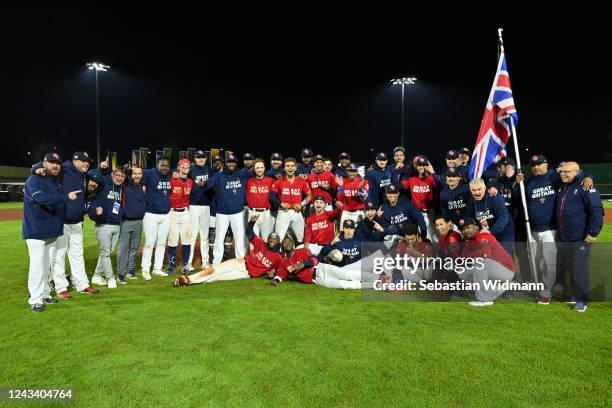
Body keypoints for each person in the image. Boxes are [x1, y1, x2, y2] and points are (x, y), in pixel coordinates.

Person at [520, 155, 593, 304]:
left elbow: (574, 174)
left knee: (549, 262)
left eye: (539, 164)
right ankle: (545, 287)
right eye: (533, 165)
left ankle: (546, 293)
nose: (536, 167)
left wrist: (588, 177)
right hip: (533, 230)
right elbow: (518, 199)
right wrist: (517, 183)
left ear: (546, 164)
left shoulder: (555, 177)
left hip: (550, 229)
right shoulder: (528, 181)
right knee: (536, 262)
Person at [31, 151, 99, 298]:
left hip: (77, 222)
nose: (87, 163)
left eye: (88, 161)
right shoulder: (66, 168)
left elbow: (100, 180)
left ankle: (82, 284)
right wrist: (35, 168)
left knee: (77, 255)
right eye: (83, 161)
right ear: (75, 161)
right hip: (61, 221)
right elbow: (47, 165)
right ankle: (61, 287)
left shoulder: (84, 174)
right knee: (58, 255)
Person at [23, 153, 82, 312]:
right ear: (44, 164)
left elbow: (73, 167)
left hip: (51, 229)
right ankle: (35, 299)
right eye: (51, 163)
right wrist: (66, 197)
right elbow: (41, 198)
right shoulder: (34, 180)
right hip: (36, 230)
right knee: (36, 265)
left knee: (46, 264)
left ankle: (45, 293)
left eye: (58, 163)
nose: (55, 166)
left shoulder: (55, 181)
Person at [173, 215, 282, 286]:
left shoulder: (278, 258)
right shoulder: (261, 243)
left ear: (278, 242)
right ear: (268, 239)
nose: (272, 241)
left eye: (275, 239)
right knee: (215, 270)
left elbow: (281, 270)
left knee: (218, 278)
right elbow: (249, 233)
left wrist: (274, 275)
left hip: (246, 274)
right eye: (271, 238)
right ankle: (187, 279)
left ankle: (188, 283)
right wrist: (251, 223)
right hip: (241, 263)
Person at [555, 161, 603, 312]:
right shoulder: (564, 186)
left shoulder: (585, 185)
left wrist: (593, 232)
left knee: (580, 269)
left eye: (566, 172)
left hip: (580, 237)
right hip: (564, 237)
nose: (563, 174)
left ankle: (582, 301)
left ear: (577, 172)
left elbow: (596, 210)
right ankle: (574, 295)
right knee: (571, 268)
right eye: (562, 171)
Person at [271, 235, 381, 289]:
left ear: (293, 244)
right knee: (344, 285)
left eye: (289, 242)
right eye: (285, 243)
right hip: (317, 280)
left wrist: (302, 264)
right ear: (282, 246)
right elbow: (280, 275)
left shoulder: (302, 251)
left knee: (346, 274)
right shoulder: (284, 262)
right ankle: (376, 285)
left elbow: (314, 260)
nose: (288, 244)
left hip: (321, 269)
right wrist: (275, 281)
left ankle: (379, 277)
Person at [458, 217, 516, 307]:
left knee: (478, 262)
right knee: (462, 273)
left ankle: (483, 299)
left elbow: (484, 254)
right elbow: (462, 258)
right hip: (493, 269)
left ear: (476, 227)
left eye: (468, 227)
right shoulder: (469, 241)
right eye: (463, 229)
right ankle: (500, 287)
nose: (465, 231)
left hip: (505, 269)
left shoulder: (483, 236)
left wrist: (469, 255)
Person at [203, 154, 249, 265]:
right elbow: (207, 185)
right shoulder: (219, 175)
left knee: (239, 238)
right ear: (226, 163)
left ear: (236, 163)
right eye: (229, 162)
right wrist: (204, 183)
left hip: (238, 212)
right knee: (219, 238)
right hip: (222, 213)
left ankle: (240, 262)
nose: (231, 164)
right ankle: (216, 262)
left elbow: (258, 173)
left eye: (233, 162)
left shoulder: (242, 174)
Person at [88, 167, 126, 288]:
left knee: (107, 252)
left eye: (122, 176)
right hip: (104, 224)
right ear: (112, 175)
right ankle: (110, 278)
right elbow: (94, 175)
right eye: (117, 175)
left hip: (116, 224)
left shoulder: (120, 188)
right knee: (105, 253)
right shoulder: (104, 183)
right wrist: (102, 169)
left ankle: (97, 275)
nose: (119, 178)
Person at [466, 178, 515, 255]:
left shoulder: (494, 197)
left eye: (479, 189)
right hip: (486, 233)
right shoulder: (471, 202)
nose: (477, 192)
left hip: (504, 233)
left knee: (505, 258)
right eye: (474, 190)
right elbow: (470, 218)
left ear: (485, 188)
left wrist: (490, 232)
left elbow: (503, 217)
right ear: (470, 190)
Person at [270, 157, 312, 243]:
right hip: (283, 212)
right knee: (279, 239)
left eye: (292, 166)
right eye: (288, 166)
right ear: (284, 168)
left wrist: (302, 204)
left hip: (297, 212)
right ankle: (280, 256)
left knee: (301, 238)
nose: (290, 168)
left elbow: (309, 195)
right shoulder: (279, 181)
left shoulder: (301, 181)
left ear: (296, 168)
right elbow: (271, 197)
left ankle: (299, 256)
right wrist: (280, 203)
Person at [400, 155, 440, 241]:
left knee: (435, 238)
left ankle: (436, 254)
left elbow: (440, 186)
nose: (421, 167)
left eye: (423, 165)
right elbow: (398, 187)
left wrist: (433, 171)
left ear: (427, 166)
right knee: (420, 239)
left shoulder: (432, 178)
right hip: (417, 214)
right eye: (419, 165)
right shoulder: (411, 179)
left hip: (431, 213)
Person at [117, 165, 146, 282]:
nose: (137, 176)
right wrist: (128, 169)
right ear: (131, 174)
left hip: (139, 221)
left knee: (134, 248)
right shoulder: (126, 183)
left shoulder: (144, 185)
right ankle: (121, 273)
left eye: (139, 173)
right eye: (135, 173)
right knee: (123, 248)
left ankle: (131, 270)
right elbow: (121, 174)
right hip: (125, 221)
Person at [187, 150, 213, 270]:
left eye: (203, 157)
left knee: (204, 235)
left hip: (206, 206)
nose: (201, 159)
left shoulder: (209, 170)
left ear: (206, 159)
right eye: (199, 157)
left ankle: (205, 262)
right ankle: (188, 263)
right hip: (193, 206)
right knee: (192, 235)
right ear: (195, 159)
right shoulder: (191, 170)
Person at [167, 159, 194, 275]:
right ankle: (171, 265)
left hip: (185, 212)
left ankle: (186, 265)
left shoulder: (190, 181)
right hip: (172, 212)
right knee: (172, 240)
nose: (185, 168)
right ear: (178, 167)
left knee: (186, 239)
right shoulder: (172, 179)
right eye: (183, 166)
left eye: (187, 166)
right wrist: (172, 172)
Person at [246, 159, 275, 240]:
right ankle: (253, 253)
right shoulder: (248, 181)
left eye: (261, 167)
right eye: (257, 168)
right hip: (252, 212)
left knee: (266, 238)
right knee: (253, 238)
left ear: (264, 168)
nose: (259, 170)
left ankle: (265, 253)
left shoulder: (271, 181)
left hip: (266, 212)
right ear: (254, 169)